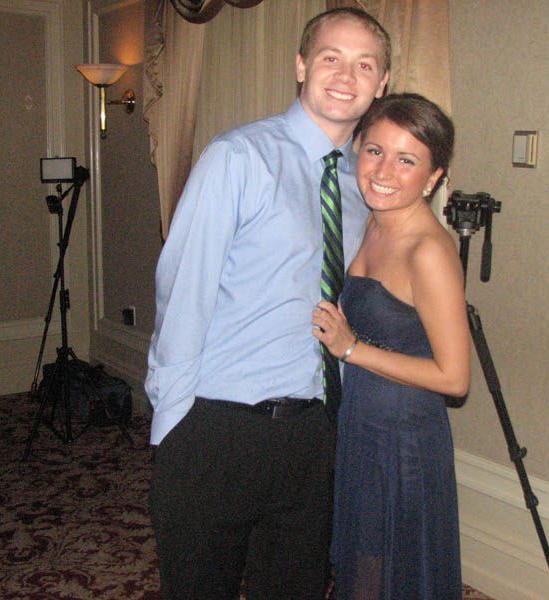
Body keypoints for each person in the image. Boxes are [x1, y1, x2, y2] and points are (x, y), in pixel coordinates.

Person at [146, 8, 390, 599]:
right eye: (331, 57)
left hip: (312, 434)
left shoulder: (368, 185)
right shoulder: (238, 158)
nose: (345, 75)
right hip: (217, 425)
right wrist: (173, 429)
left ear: (382, 85)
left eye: (365, 65)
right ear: (301, 65)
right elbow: (182, 292)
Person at [312, 93, 470, 600]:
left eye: (407, 160)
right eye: (375, 150)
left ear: (433, 177)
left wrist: (351, 349)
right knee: (364, 567)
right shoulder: (374, 221)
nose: (384, 170)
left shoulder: (429, 251)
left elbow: (455, 378)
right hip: (364, 423)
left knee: (389, 575)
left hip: (403, 442)